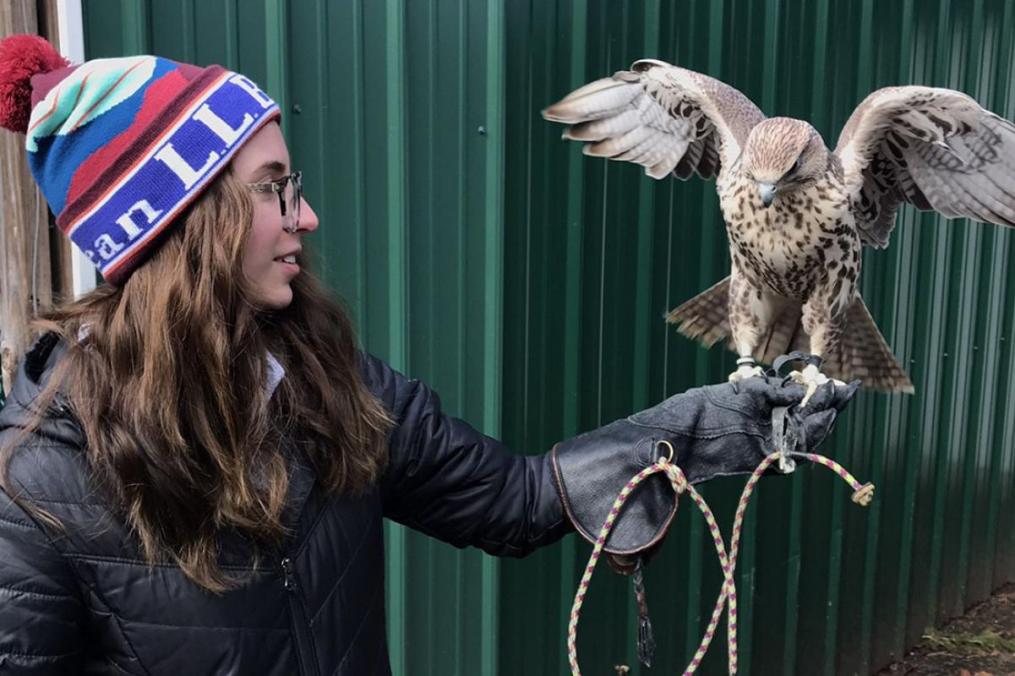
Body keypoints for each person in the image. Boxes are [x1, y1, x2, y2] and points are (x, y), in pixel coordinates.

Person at [0, 35, 855, 675]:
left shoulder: (329, 384)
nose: (305, 216)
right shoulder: (35, 486)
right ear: (181, 223)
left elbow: (514, 500)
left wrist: (700, 428)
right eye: (273, 188)